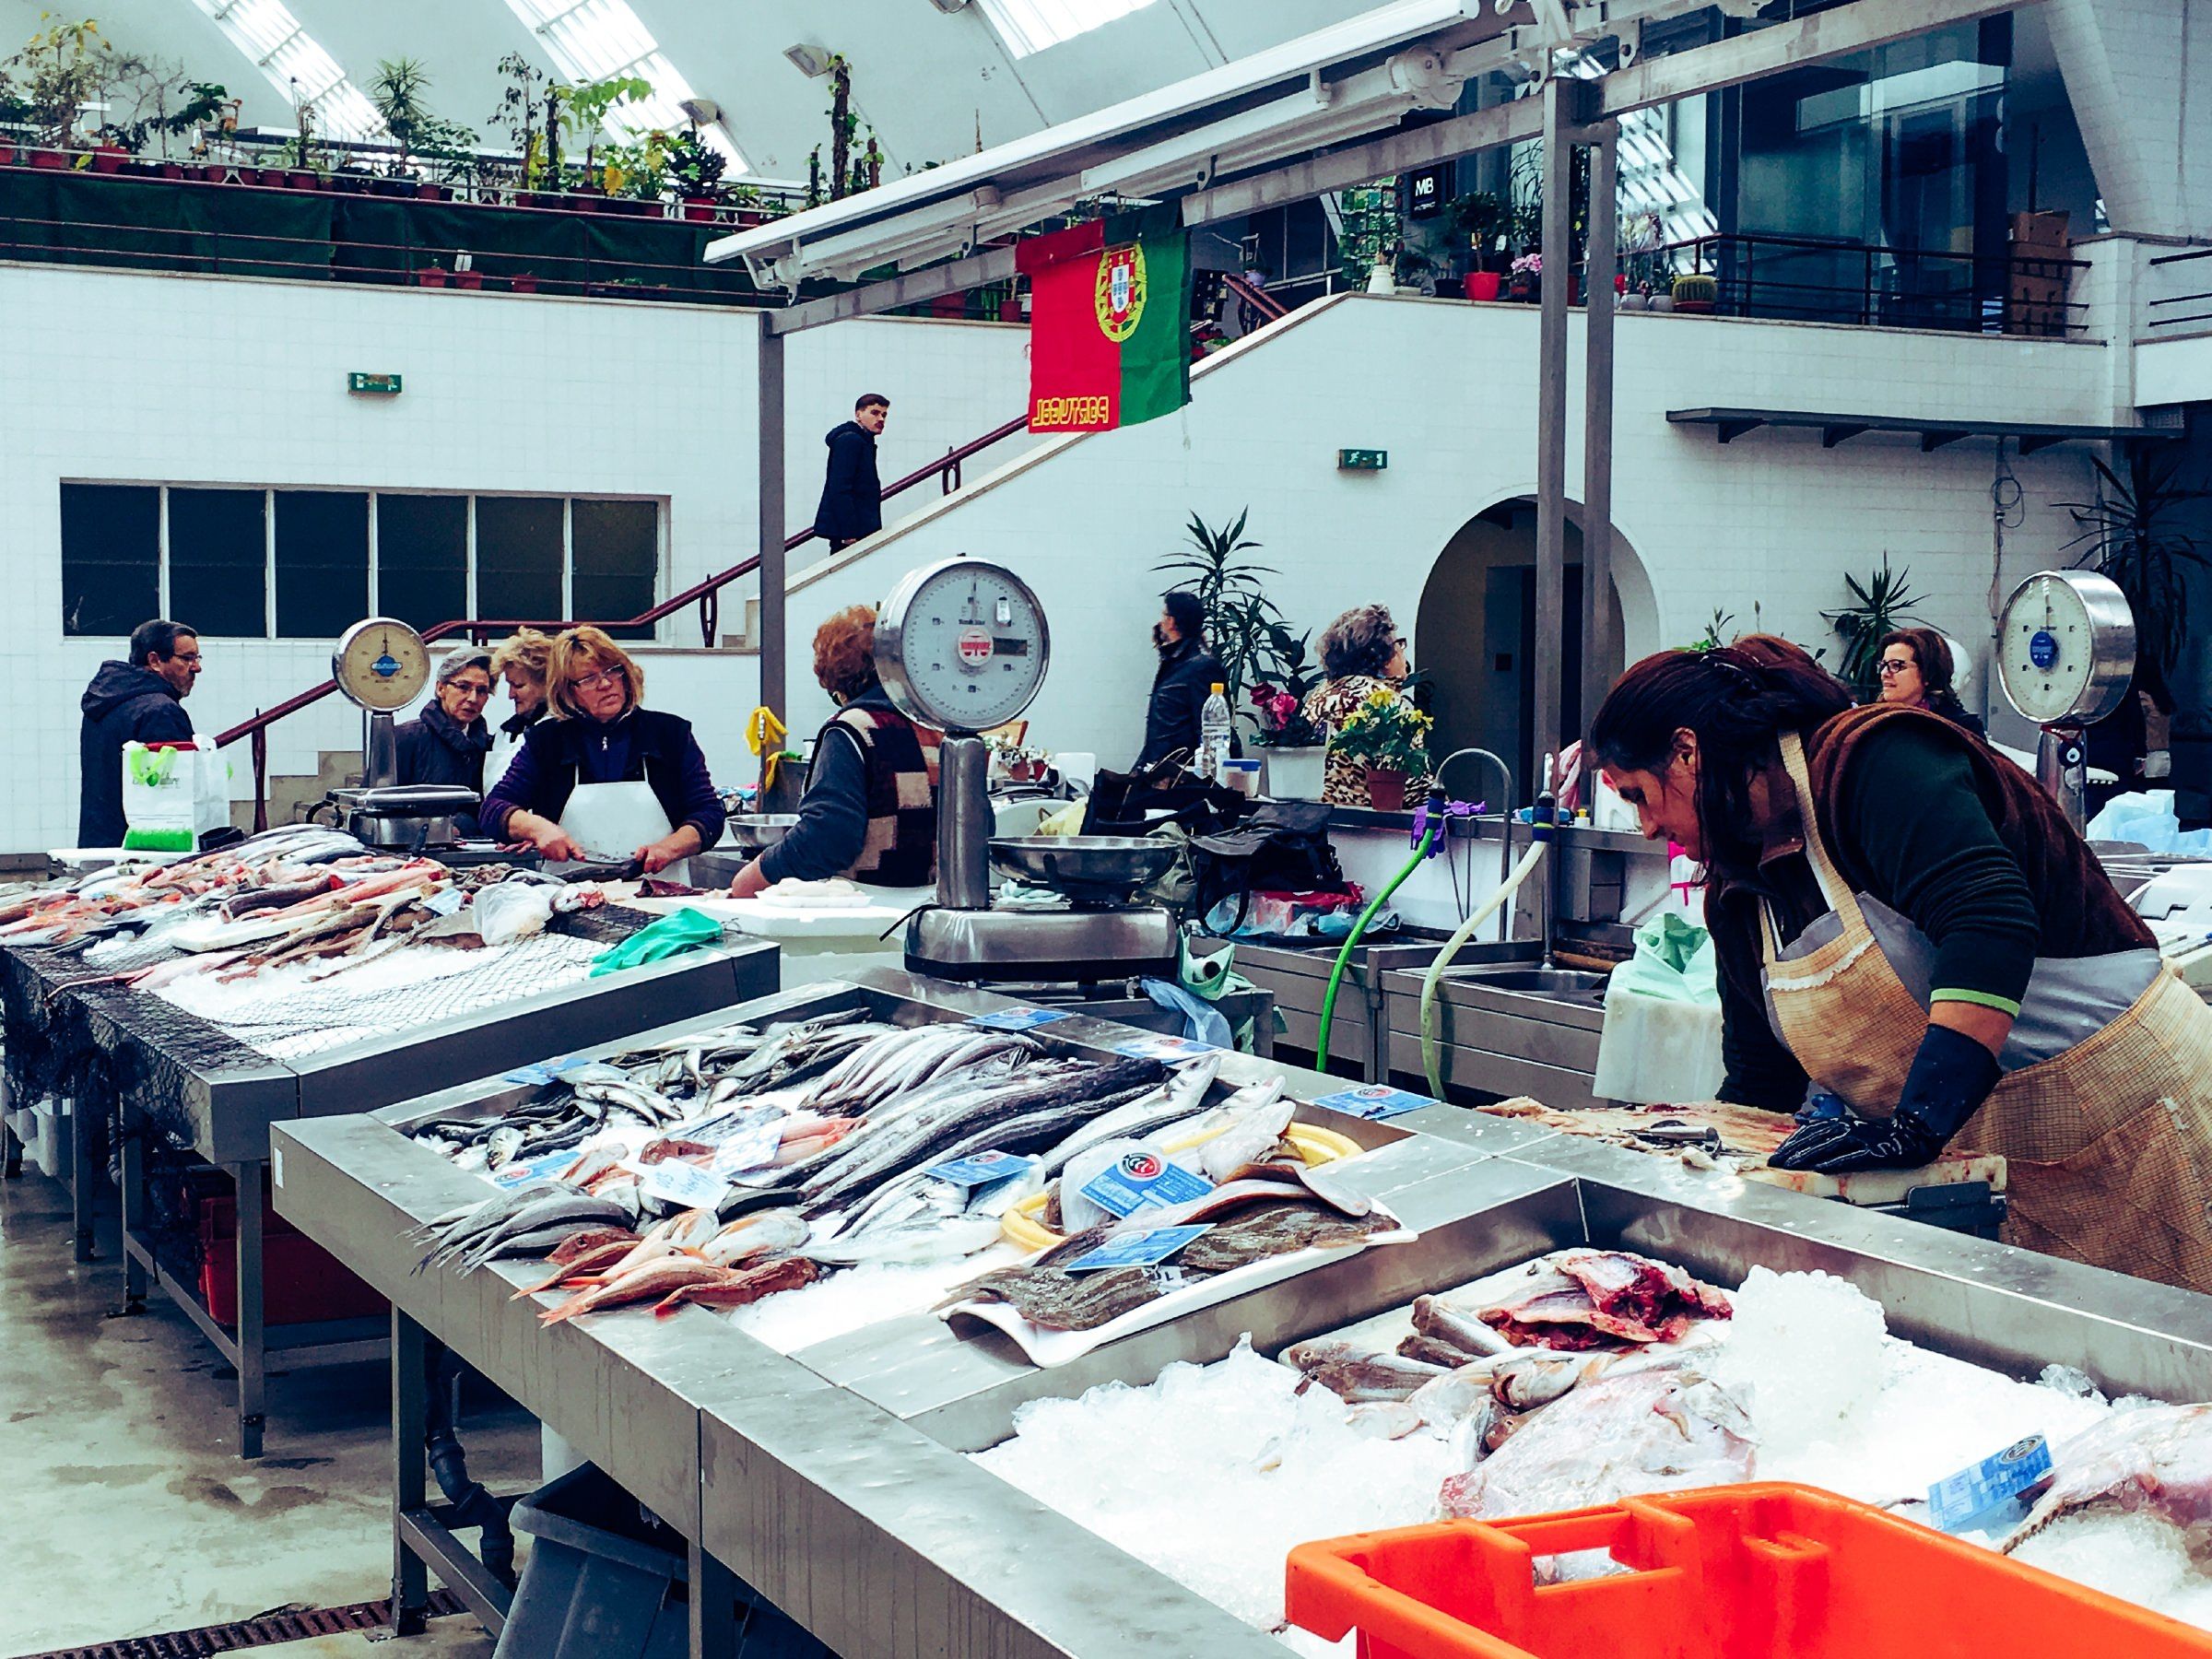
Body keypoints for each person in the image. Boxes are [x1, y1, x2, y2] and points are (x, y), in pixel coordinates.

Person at [1589, 634, 2212, 1293]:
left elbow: (1988, 919)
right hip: (1987, 1170)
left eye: (1638, 795)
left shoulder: (1873, 761)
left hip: (2141, 1127)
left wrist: (1918, 1122)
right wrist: (1708, 1183)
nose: (1646, 827)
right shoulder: (1741, 891)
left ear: (1687, 753)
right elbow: (1759, 1080)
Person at [481, 626, 725, 876]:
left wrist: (669, 849)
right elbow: (494, 809)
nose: (606, 684)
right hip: (570, 889)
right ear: (567, 690)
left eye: (613, 671)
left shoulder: (670, 734)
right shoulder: (546, 740)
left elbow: (709, 813)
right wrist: (537, 829)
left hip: (662, 887)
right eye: (589, 679)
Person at [727, 606, 935, 897]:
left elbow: (827, 836)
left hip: (868, 909)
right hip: (936, 907)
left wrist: (753, 877)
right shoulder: (938, 727)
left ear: (834, 676)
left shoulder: (852, 729)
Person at [77, 618, 202, 848]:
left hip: (99, 841)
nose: (196, 668)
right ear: (154, 661)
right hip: (147, 849)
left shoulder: (105, 702)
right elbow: (174, 797)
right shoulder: (160, 711)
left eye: (197, 658)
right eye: (187, 658)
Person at [1301, 604, 1430, 806]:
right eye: (1399, 645)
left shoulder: (1320, 696)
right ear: (1385, 657)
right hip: (1369, 819)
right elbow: (1412, 785)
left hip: (1318, 816)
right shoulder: (1385, 702)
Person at [393, 652, 496, 824]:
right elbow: (379, 807)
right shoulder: (405, 739)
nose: (473, 698)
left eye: (481, 691)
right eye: (463, 687)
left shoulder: (489, 747)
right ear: (440, 688)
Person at [1136, 591, 1227, 770]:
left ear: (1171, 621)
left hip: (1180, 772)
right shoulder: (1175, 663)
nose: (1160, 622)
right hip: (1160, 767)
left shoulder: (1200, 667)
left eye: (1164, 615)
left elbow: (1207, 729)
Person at [1875, 627, 1985, 737]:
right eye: (1883, 665)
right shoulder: (1873, 720)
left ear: (1928, 673)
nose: (1884, 673)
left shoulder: (1961, 728)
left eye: (1896, 665)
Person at [813, 393, 888, 552]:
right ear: (858, 415)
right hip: (852, 533)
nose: (881, 419)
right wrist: (849, 532)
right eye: (875, 413)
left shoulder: (863, 441)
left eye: (884, 415)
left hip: (857, 528)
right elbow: (840, 488)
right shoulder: (850, 441)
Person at [487, 627, 554, 795]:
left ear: (545, 683)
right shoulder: (505, 732)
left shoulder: (560, 734)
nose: (510, 695)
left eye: (518, 685)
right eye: (509, 685)